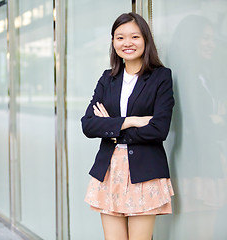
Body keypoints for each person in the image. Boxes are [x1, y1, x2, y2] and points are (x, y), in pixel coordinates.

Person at [81, 12, 174, 240]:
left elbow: (158, 129)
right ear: (113, 42)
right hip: (109, 171)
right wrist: (129, 121)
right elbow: (88, 125)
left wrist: (111, 127)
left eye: (135, 37)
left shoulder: (161, 77)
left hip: (145, 172)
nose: (127, 43)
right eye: (120, 37)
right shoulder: (107, 79)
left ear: (146, 40)